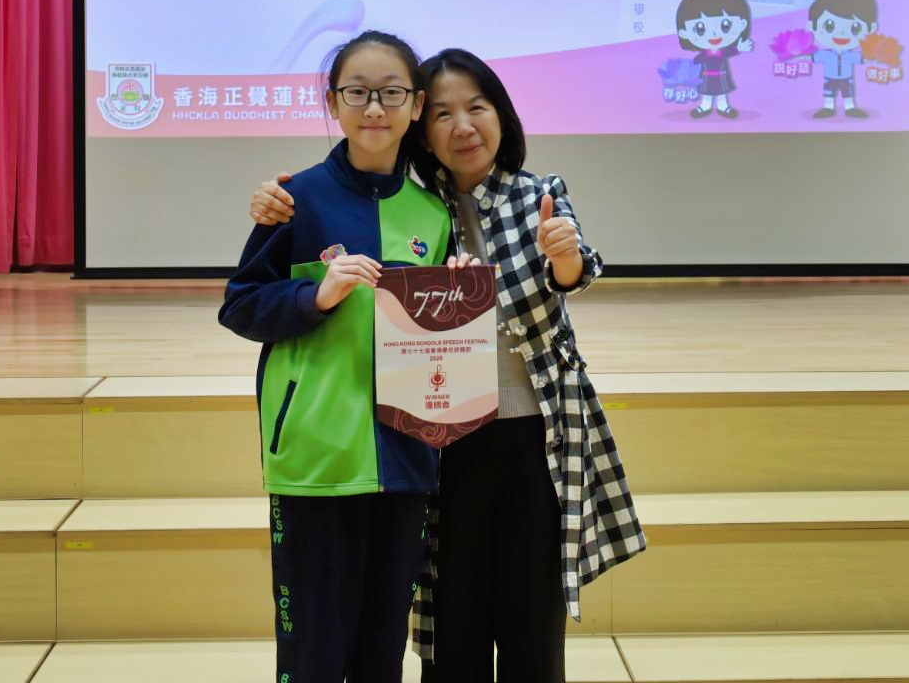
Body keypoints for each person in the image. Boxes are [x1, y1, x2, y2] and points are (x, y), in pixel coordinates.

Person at [251, 47, 645, 683]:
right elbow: (259, 294)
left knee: (532, 628)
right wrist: (277, 206)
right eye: (443, 113)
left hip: (533, 436)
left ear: (500, 115)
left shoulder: (537, 196)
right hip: (443, 438)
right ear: (420, 127)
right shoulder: (413, 204)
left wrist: (565, 256)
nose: (463, 126)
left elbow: (573, 272)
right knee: (451, 628)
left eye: (477, 107)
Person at [220, 30, 453, 683]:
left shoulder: (432, 216)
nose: (374, 107)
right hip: (314, 457)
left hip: (404, 459)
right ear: (332, 102)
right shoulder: (296, 199)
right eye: (357, 92)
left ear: (416, 106)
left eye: (392, 93)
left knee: (381, 650)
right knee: (312, 653)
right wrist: (315, 296)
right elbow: (241, 305)